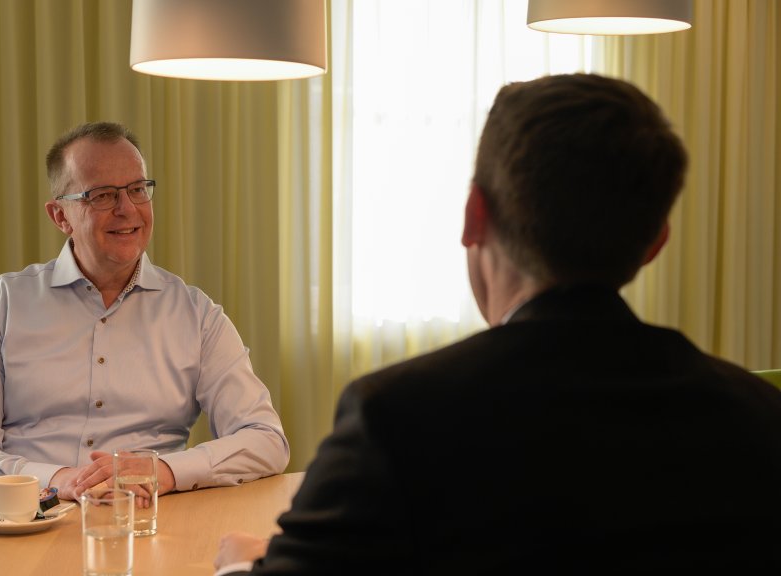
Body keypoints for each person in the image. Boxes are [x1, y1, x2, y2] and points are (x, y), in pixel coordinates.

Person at [214, 73, 781, 574]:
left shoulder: (394, 417)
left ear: (473, 215)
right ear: (657, 240)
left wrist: (243, 564)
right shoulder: (760, 416)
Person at [0, 121, 289, 507]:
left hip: (147, 527)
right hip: (27, 528)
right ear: (60, 216)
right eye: (102, 195)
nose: (127, 209)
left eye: (137, 189)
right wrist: (57, 481)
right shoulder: (0, 306)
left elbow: (265, 439)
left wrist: (164, 472)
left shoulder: (196, 314)